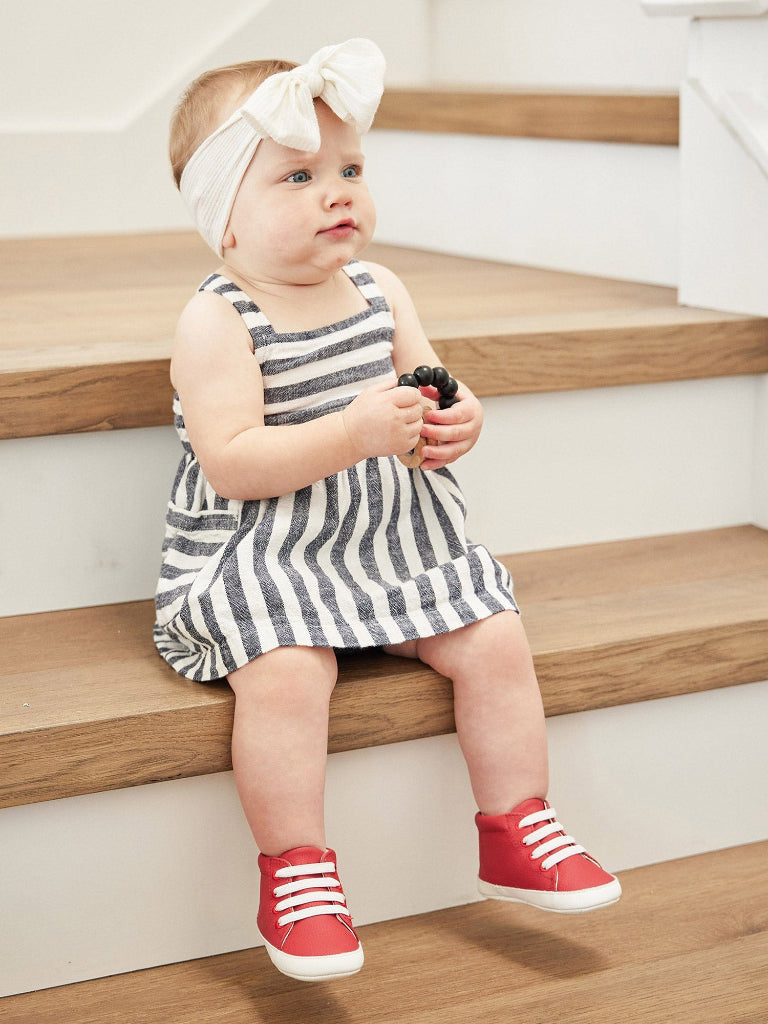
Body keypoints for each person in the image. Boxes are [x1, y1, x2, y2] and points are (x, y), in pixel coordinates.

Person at [155, 38, 621, 984]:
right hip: (269, 553)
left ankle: (516, 824)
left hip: (388, 542)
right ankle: (297, 870)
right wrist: (351, 433)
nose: (337, 194)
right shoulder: (218, 318)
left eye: (350, 171)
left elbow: (427, 383)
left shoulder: (380, 289)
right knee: (288, 672)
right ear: (224, 220)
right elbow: (233, 464)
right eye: (298, 177)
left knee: (493, 632)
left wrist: (454, 419)